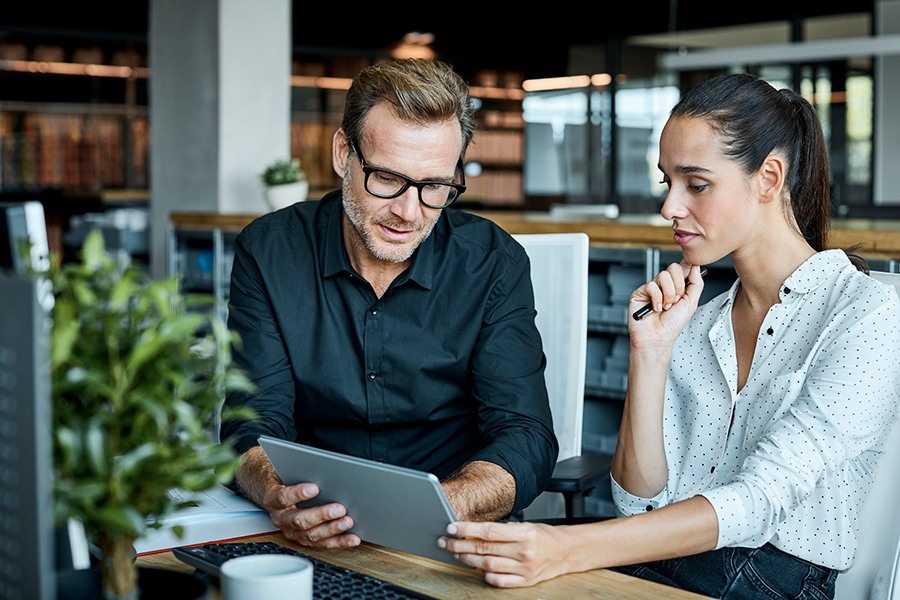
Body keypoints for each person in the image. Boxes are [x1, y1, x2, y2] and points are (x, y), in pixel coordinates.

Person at [438, 73, 900, 599]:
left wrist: (566, 549)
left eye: (696, 184)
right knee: (474, 579)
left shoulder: (868, 315)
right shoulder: (698, 322)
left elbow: (761, 501)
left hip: (772, 581)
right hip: (674, 560)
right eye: (668, 183)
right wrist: (650, 353)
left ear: (769, 178)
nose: (669, 208)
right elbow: (637, 504)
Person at [220, 58, 558, 550]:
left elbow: (524, 435)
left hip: (451, 531)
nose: (408, 211)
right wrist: (277, 492)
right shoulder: (269, 251)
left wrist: (439, 506)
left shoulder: (493, 263)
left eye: (434, 187)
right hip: (310, 527)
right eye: (386, 178)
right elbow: (251, 420)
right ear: (343, 154)